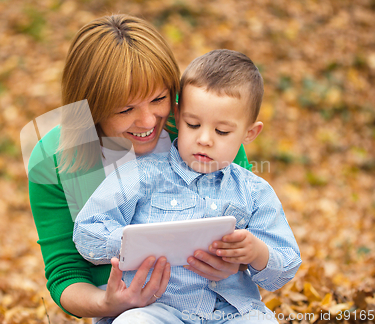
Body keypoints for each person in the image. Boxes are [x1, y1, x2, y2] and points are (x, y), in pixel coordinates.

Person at [27, 15, 254, 319]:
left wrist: (238, 261)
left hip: (220, 305)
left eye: (159, 98)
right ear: (91, 106)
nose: (149, 122)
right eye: (126, 109)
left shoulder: (203, 128)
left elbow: (256, 227)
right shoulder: (53, 158)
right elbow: (65, 272)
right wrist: (107, 304)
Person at [73, 49, 302, 323]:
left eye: (222, 131)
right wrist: (130, 243)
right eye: (193, 124)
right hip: (157, 308)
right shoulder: (139, 174)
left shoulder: (254, 192)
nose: (204, 139)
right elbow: (87, 230)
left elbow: (286, 265)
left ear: (249, 133)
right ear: (178, 116)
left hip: (231, 312)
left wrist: (256, 253)